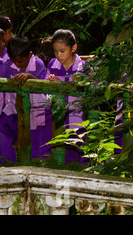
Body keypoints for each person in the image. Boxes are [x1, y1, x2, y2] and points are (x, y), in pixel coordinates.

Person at [0, 35, 50, 162]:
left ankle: (36, 168)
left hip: (37, 110)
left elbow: (45, 86)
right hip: (13, 107)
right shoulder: (9, 63)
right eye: (13, 60)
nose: (16, 64)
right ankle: (7, 163)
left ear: (30, 55)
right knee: (1, 130)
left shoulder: (38, 63)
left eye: (20, 61)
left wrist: (31, 77)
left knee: (36, 146)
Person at [46, 29, 86, 165]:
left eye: (62, 51)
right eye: (55, 51)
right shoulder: (52, 65)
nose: (58, 55)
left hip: (78, 114)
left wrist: (83, 83)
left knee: (79, 148)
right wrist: (51, 83)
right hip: (58, 115)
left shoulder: (83, 67)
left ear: (73, 48)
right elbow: (45, 92)